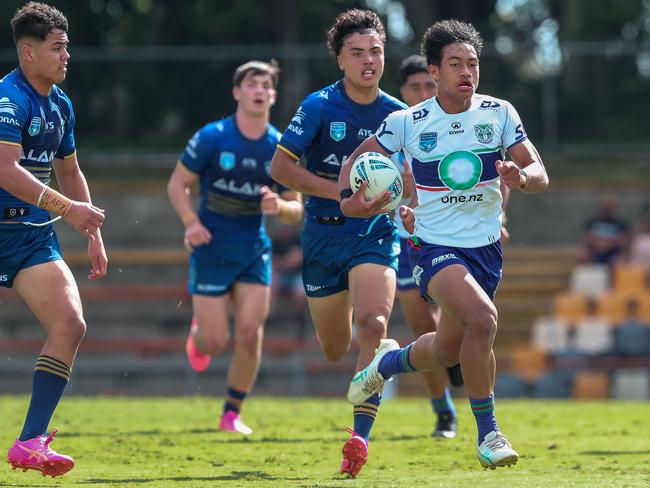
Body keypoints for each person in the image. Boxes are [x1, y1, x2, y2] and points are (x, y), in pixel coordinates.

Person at [339, 19, 549, 469]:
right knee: (483, 318)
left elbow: (539, 173)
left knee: (448, 349)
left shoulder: (500, 113)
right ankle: (489, 434)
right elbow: (357, 162)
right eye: (454, 64)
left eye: (472, 63)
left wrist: (521, 176)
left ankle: (383, 367)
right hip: (432, 247)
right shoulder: (407, 122)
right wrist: (352, 202)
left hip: (487, 249)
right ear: (434, 71)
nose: (465, 72)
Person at [270, 9, 406, 477]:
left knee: (374, 324)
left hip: (374, 235)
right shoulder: (320, 106)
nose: (369, 61)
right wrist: (343, 194)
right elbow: (280, 168)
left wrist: (405, 202)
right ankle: (354, 344)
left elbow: (411, 175)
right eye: (357, 53)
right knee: (334, 347)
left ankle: (359, 438)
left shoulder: (398, 115)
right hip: (323, 237)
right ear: (341, 61)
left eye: (376, 51)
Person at [167, 60, 302, 436]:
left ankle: (231, 412)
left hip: (253, 251)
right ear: (237, 92)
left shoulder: (280, 148)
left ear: (273, 96)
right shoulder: (213, 137)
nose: (259, 90)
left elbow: (296, 209)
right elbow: (178, 184)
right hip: (211, 248)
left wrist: (280, 208)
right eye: (252, 84)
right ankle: (199, 332)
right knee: (214, 342)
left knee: (250, 331)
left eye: (266, 86)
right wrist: (190, 222)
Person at [1, 2, 107, 478]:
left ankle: (29, 442)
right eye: (58, 48)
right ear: (28, 53)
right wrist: (68, 209)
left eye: (68, 47)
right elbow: (5, 171)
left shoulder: (60, 103)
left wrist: (91, 231)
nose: (67, 56)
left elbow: (69, 170)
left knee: (70, 324)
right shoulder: (8, 100)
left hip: (31, 238)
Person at [394, 54, 458, 438]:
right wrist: (394, 187)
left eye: (428, 86)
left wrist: (499, 219)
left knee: (464, 325)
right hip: (408, 241)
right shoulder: (395, 129)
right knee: (423, 324)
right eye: (414, 87)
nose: (422, 93)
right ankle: (443, 411)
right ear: (401, 92)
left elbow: (486, 177)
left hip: (455, 237)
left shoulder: (457, 124)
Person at [577, 195, 628, 266]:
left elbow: (623, 241)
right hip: (594, 251)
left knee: (619, 261)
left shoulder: (620, 224)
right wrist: (597, 243)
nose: (607, 210)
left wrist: (609, 244)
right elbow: (586, 238)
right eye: (605, 208)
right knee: (582, 255)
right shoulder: (592, 222)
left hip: (613, 253)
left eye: (609, 208)